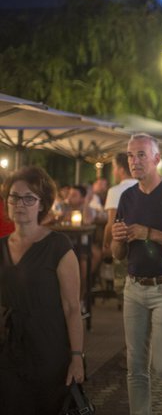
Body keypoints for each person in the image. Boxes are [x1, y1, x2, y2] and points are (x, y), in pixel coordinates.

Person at [111, 133, 162, 414]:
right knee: (136, 369)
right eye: (130, 155)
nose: (134, 161)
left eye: (141, 154)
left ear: (157, 159)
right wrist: (118, 238)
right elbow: (116, 254)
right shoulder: (126, 197)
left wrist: (149, 234)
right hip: (134, 288)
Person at [0, 166, 84, 413]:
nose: (20, 204)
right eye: (14, 197)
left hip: (48, 346)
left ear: (42, 204)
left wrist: (77, 356)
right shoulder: (1, 246)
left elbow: (71, 307)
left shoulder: (58, 245)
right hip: (7, 346)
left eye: (29, 198)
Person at [103, 152, 138, 260]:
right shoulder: (142, 187)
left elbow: (111, 223)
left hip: (122, 244)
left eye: (114, 168)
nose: (113, 172)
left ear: (121, 170)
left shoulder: (115, 191)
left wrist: (105, 245)